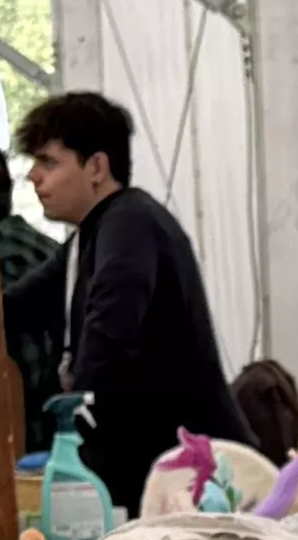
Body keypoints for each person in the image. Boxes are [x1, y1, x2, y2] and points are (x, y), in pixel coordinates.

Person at [14, 88, 237, 510]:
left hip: (185, 478)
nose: (34, 177)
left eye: (48, 162)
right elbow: (17, 307)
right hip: (149, 468)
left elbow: (111, 327)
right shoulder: (88, 238)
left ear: (96, 167)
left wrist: (73, 414)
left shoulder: (130, 222)